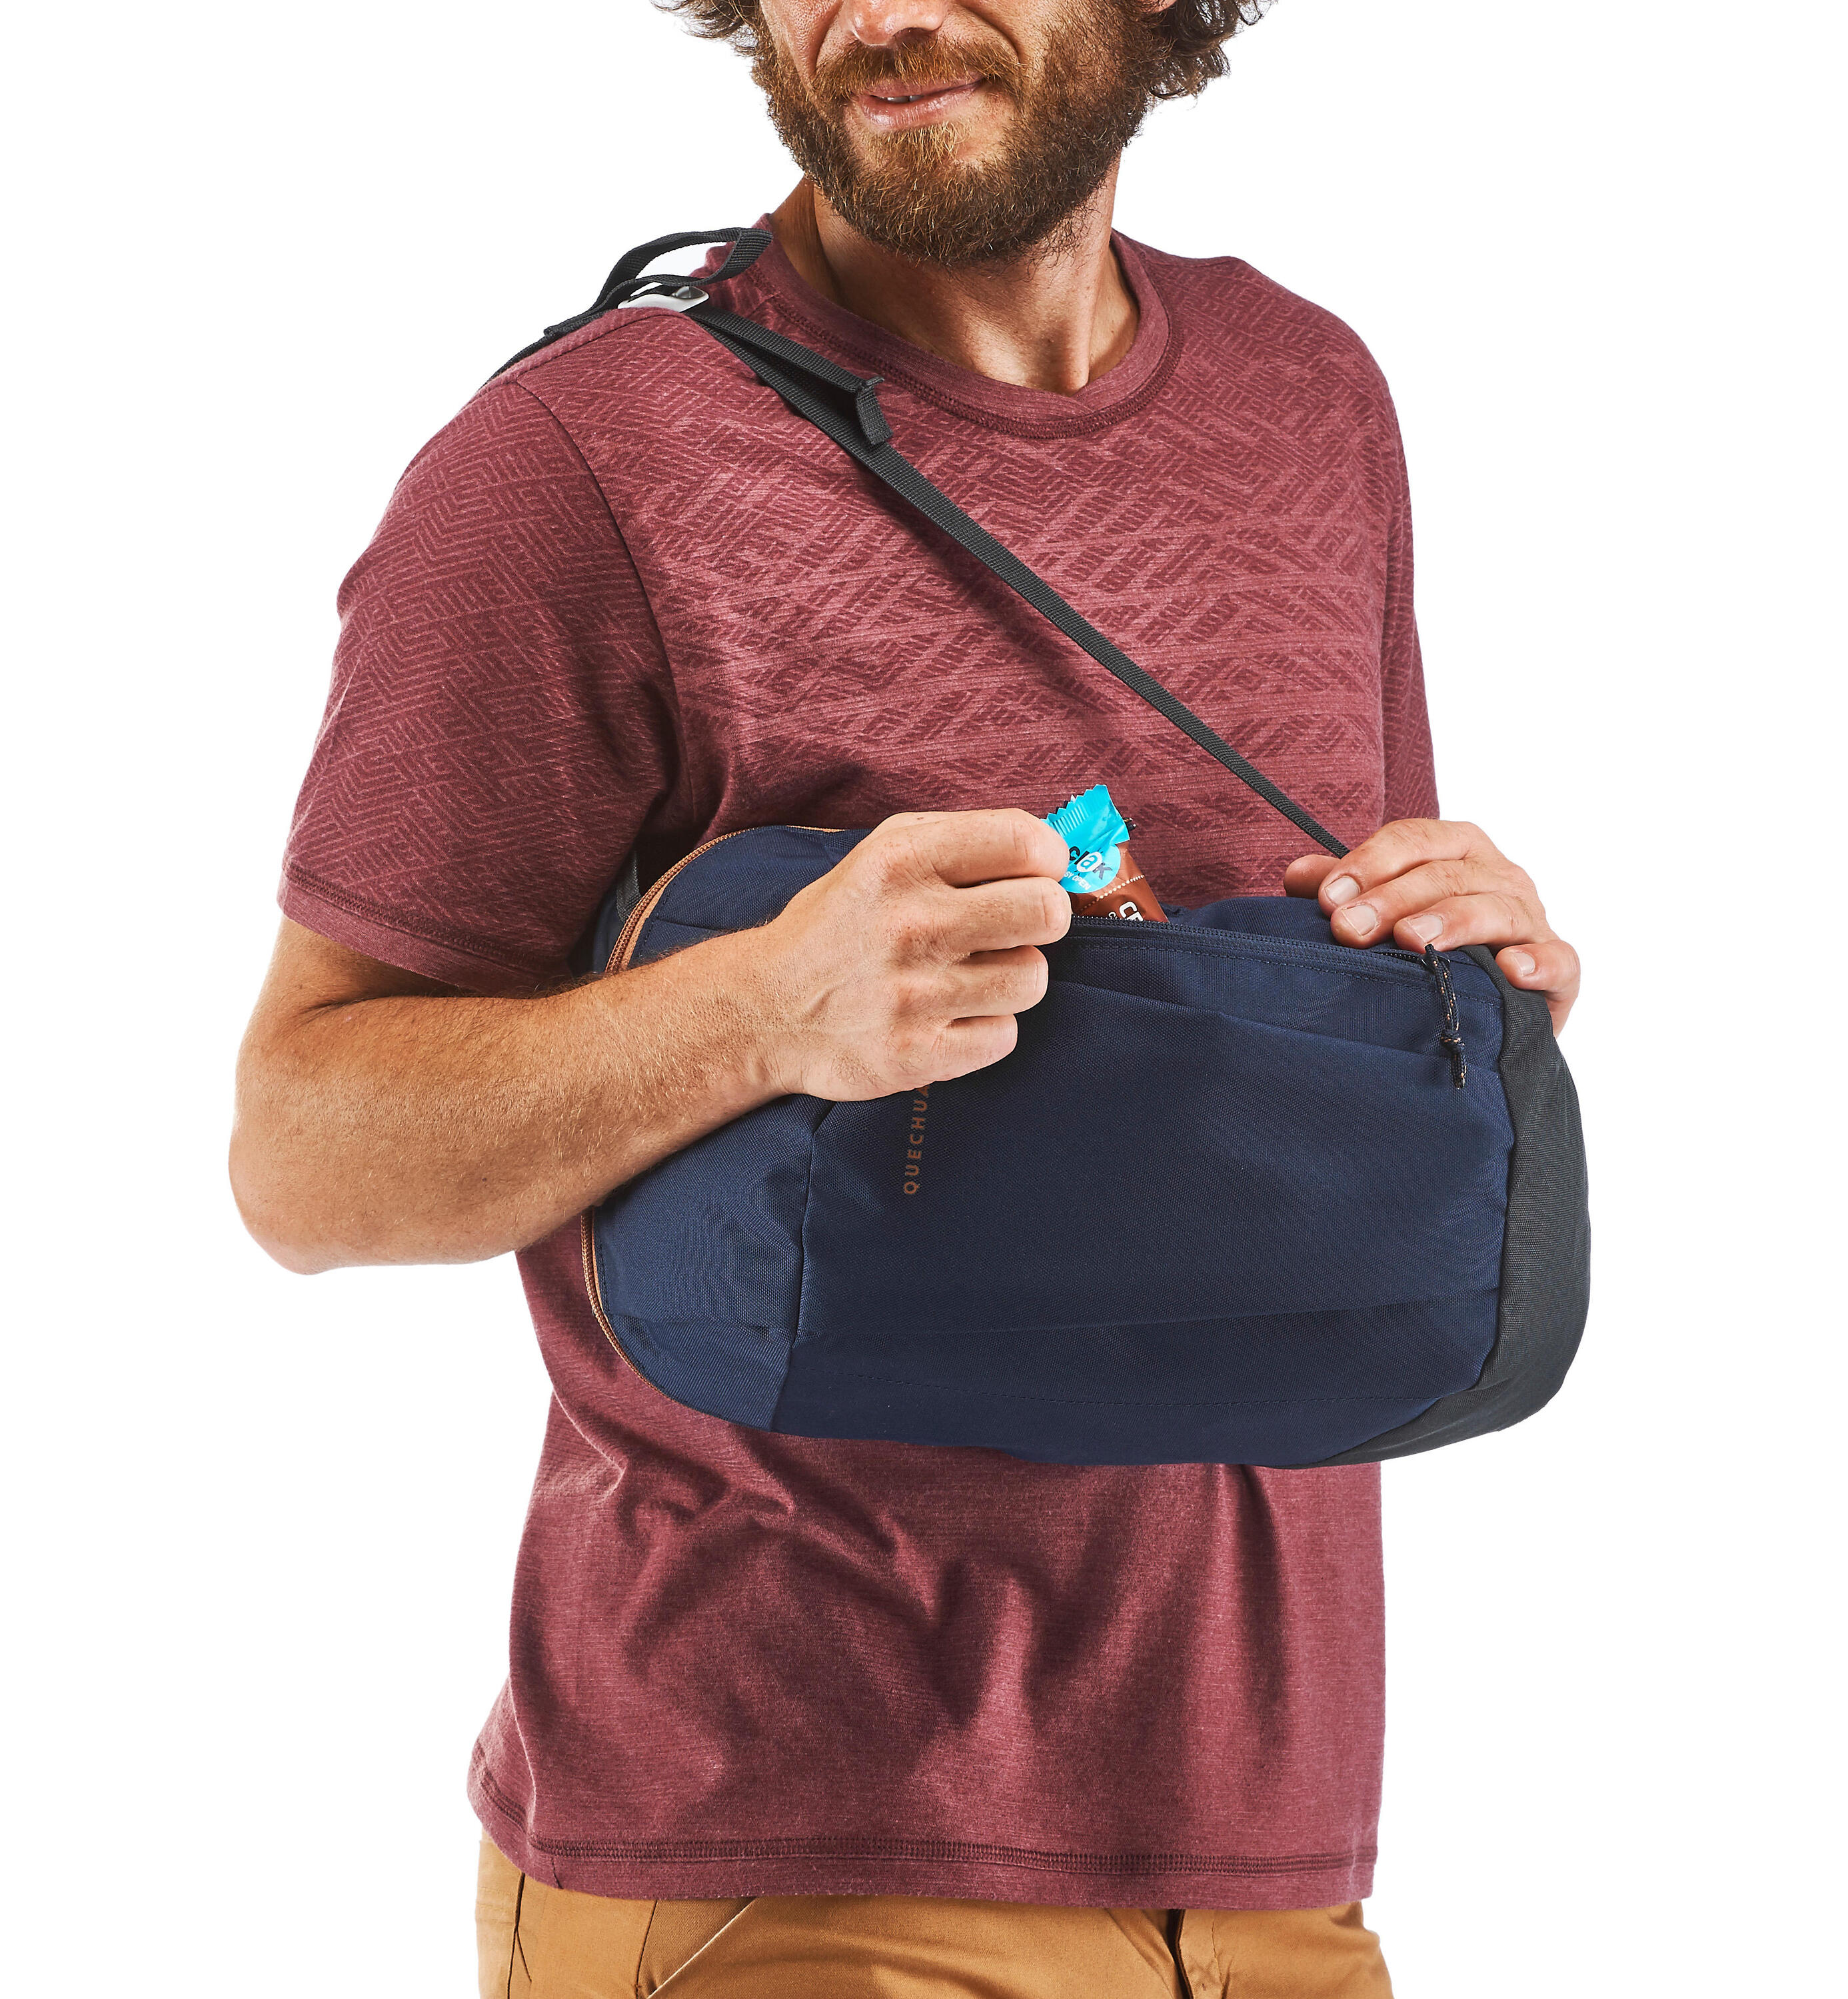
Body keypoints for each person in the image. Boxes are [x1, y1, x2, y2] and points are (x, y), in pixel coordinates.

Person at [231, 0, 1581, 1989]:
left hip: (1278, 1867)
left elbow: (1258, 1067)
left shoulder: (1311, 394)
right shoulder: (575, 467)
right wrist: (763, 1012)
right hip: (784, 1864)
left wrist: (1475, 978)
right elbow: (300, 1153)